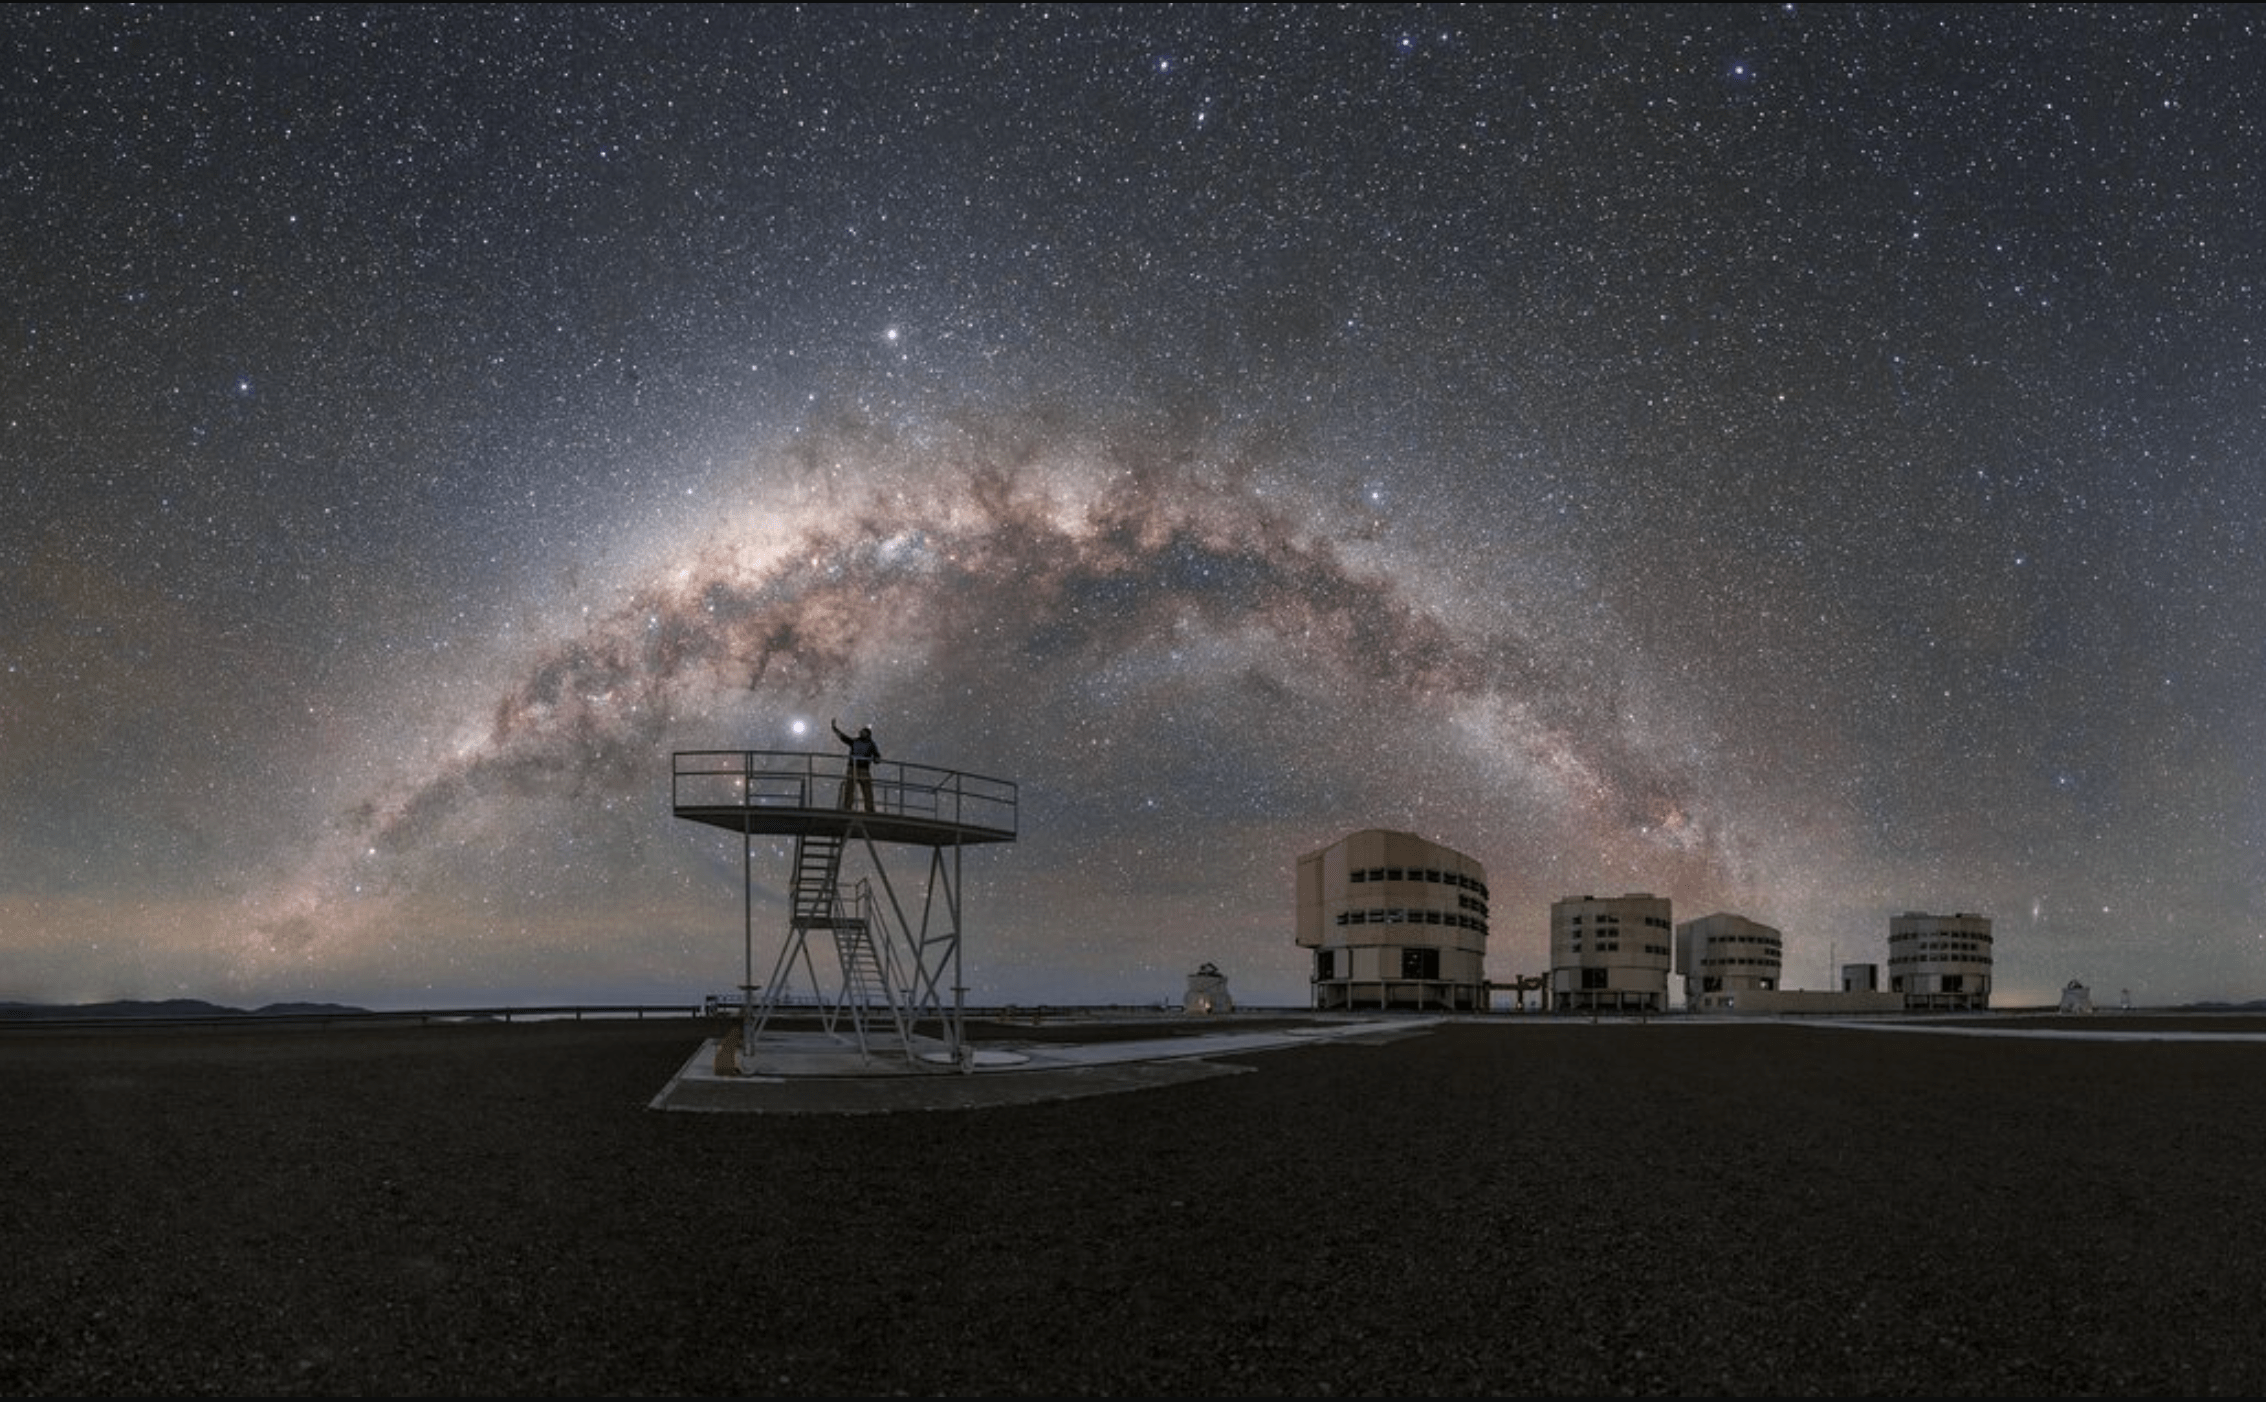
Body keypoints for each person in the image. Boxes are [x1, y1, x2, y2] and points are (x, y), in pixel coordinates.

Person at [831, 717, 880, 812]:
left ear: (868, 734)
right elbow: (843, 738)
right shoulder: (856, 742)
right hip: (853, 768)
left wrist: (876, 759)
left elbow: (876, 756)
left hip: (862, 769)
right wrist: (835, 729)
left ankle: (868, 808)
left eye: (863, 732)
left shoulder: (870, 744)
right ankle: (848, 807)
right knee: (850, 788)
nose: (861, 733)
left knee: (866, 790)